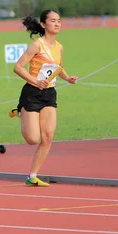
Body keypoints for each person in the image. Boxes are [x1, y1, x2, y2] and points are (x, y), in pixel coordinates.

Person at [12, 10, 77, 187]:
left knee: (47, 137)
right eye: (53, 21)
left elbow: (58, 66)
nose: (57, 24)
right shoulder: (36, 45)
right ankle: (21, 111)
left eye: (59, 21)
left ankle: (32, 176)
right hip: (32, 93)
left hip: (49, 94)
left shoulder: (59, 47)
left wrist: (67, 78)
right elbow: (18, 67)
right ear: (43, 24)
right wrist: (35, 80)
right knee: (33, 139)